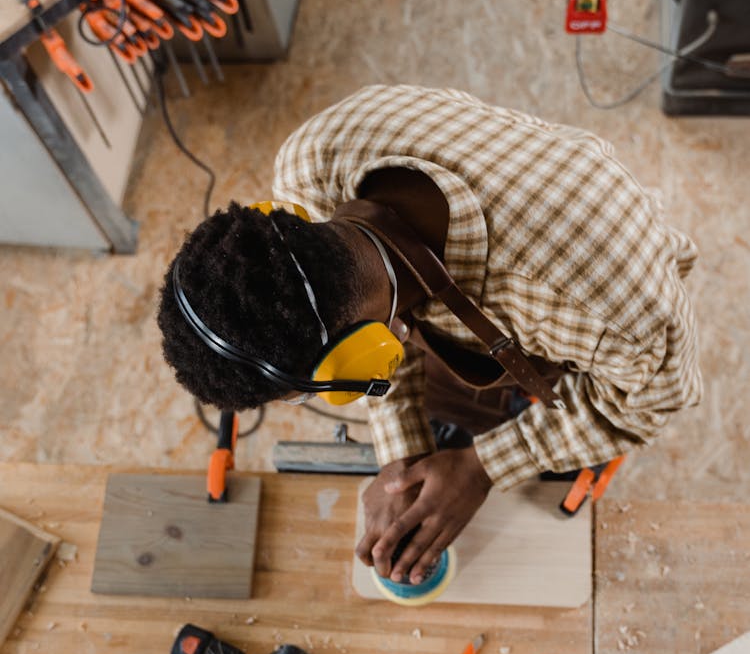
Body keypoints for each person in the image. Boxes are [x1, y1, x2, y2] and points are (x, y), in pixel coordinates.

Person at [157, 84, 701, 587]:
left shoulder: (600, 303)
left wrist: (483, 467)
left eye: (321, 388)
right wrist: (404, 462)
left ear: (360, 356)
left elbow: (654, 399)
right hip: (467, 304)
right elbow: (372, 300)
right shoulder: (310, 163)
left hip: (589, 316)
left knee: (564, 454)